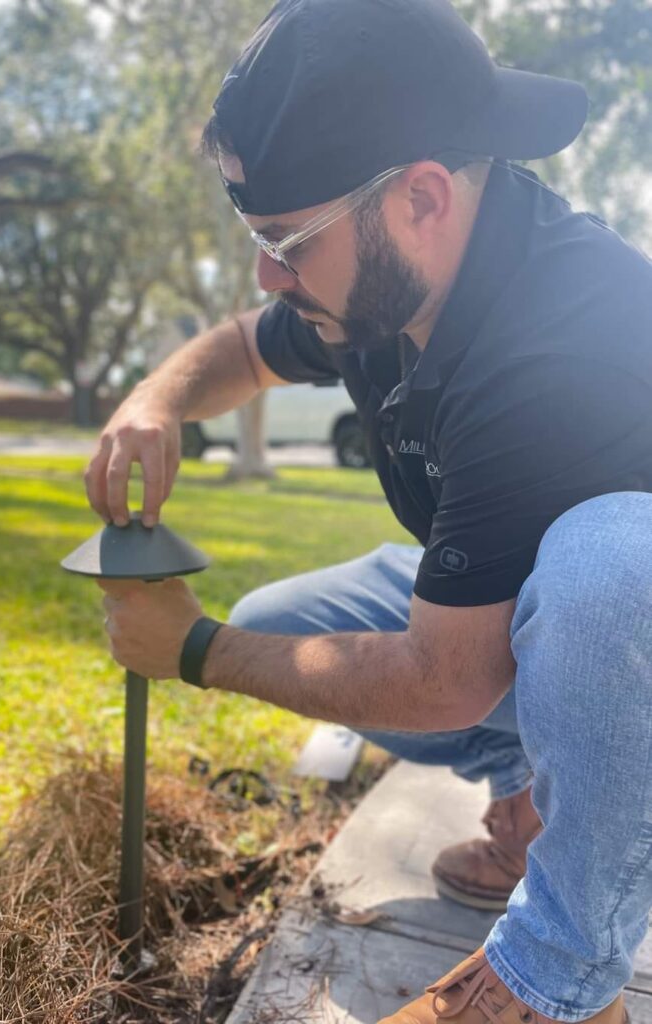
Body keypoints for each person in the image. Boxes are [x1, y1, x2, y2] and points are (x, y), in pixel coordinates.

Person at [85, 1, 652, 1021]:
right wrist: (154, 400)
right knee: (281, 624)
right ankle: (542, 789)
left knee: (609, 565)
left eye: (284, 242)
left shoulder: (566, 333)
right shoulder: (384, 280)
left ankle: (556, 981)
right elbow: (243, 349)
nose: (268, 274)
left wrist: (194, 648)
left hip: (633, 649)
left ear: (422, 198)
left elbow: (446, 678)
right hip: (544, 636)